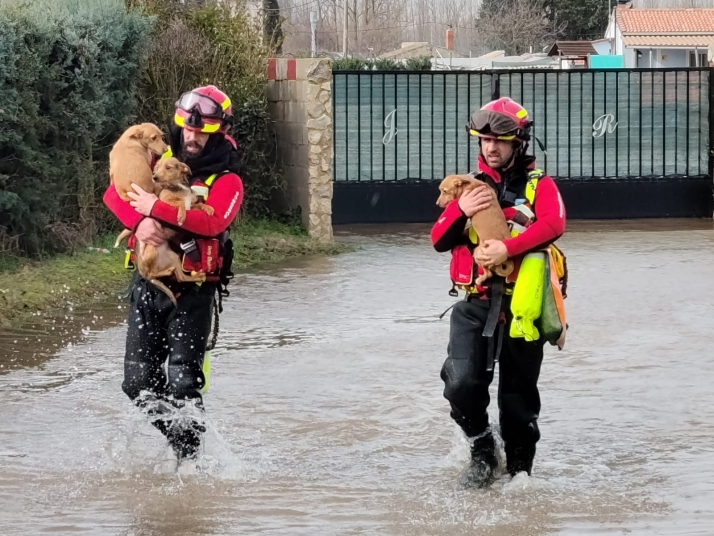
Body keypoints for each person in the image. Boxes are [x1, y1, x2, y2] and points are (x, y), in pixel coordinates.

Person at [103, 85, 243, 461]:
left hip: (193, 294)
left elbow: (210, 225)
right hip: (147, 286)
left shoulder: (227, 179)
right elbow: (114, 194)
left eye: (202, 131)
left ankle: (189, 464)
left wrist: (155, 208)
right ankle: (183, 443)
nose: (192, 137)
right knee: (137, 385)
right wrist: (139, 223)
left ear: (219, 131)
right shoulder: (155, 160)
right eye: (187, 129)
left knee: (183, 386)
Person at [431, 97, 566, 487]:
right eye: (484, 139)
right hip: (477, 303)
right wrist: (461, 209)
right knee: (460, 383)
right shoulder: (465, 188)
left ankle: (521, 471)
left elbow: (555, 224)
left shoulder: (540, 185)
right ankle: (482, 449)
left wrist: (509, 246)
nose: (490, 147)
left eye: (500, 141)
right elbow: (439, 239)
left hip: (524, 308)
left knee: (518, 403)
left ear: (518, 143)